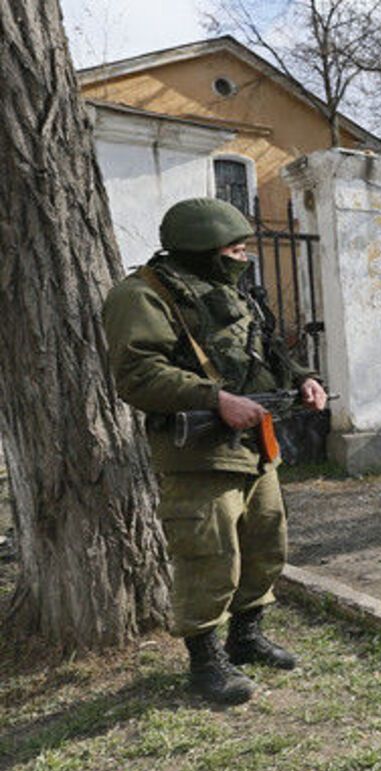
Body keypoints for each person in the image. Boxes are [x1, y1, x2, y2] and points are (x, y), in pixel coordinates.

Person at [102, 197, 327, 705]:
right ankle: (206, 663)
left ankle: (245, 639)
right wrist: (214, 399)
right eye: (233, 248)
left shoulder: (232, 293)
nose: (242, 257)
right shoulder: (142, 296)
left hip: (255, 445)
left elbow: (267, 353)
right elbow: (137, 374)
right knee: (209, 555)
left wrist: (304, 379)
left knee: (266, 543)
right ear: (201, 248)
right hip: (198, 452)